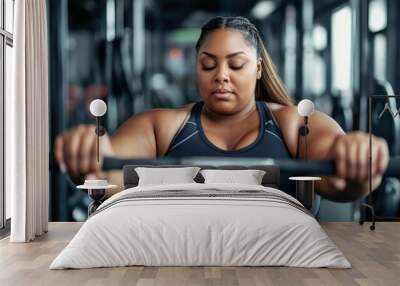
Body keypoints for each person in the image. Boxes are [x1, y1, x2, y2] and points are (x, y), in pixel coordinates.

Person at [55, 16, 389, 202]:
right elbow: (110, 172)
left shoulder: (292, 124)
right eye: (209, 64)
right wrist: (90, 153)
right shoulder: (162, 125)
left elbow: (342, 181)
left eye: (236, 64)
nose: (221, 76)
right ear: (197, 68)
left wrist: (357, 156)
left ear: (258, 68)